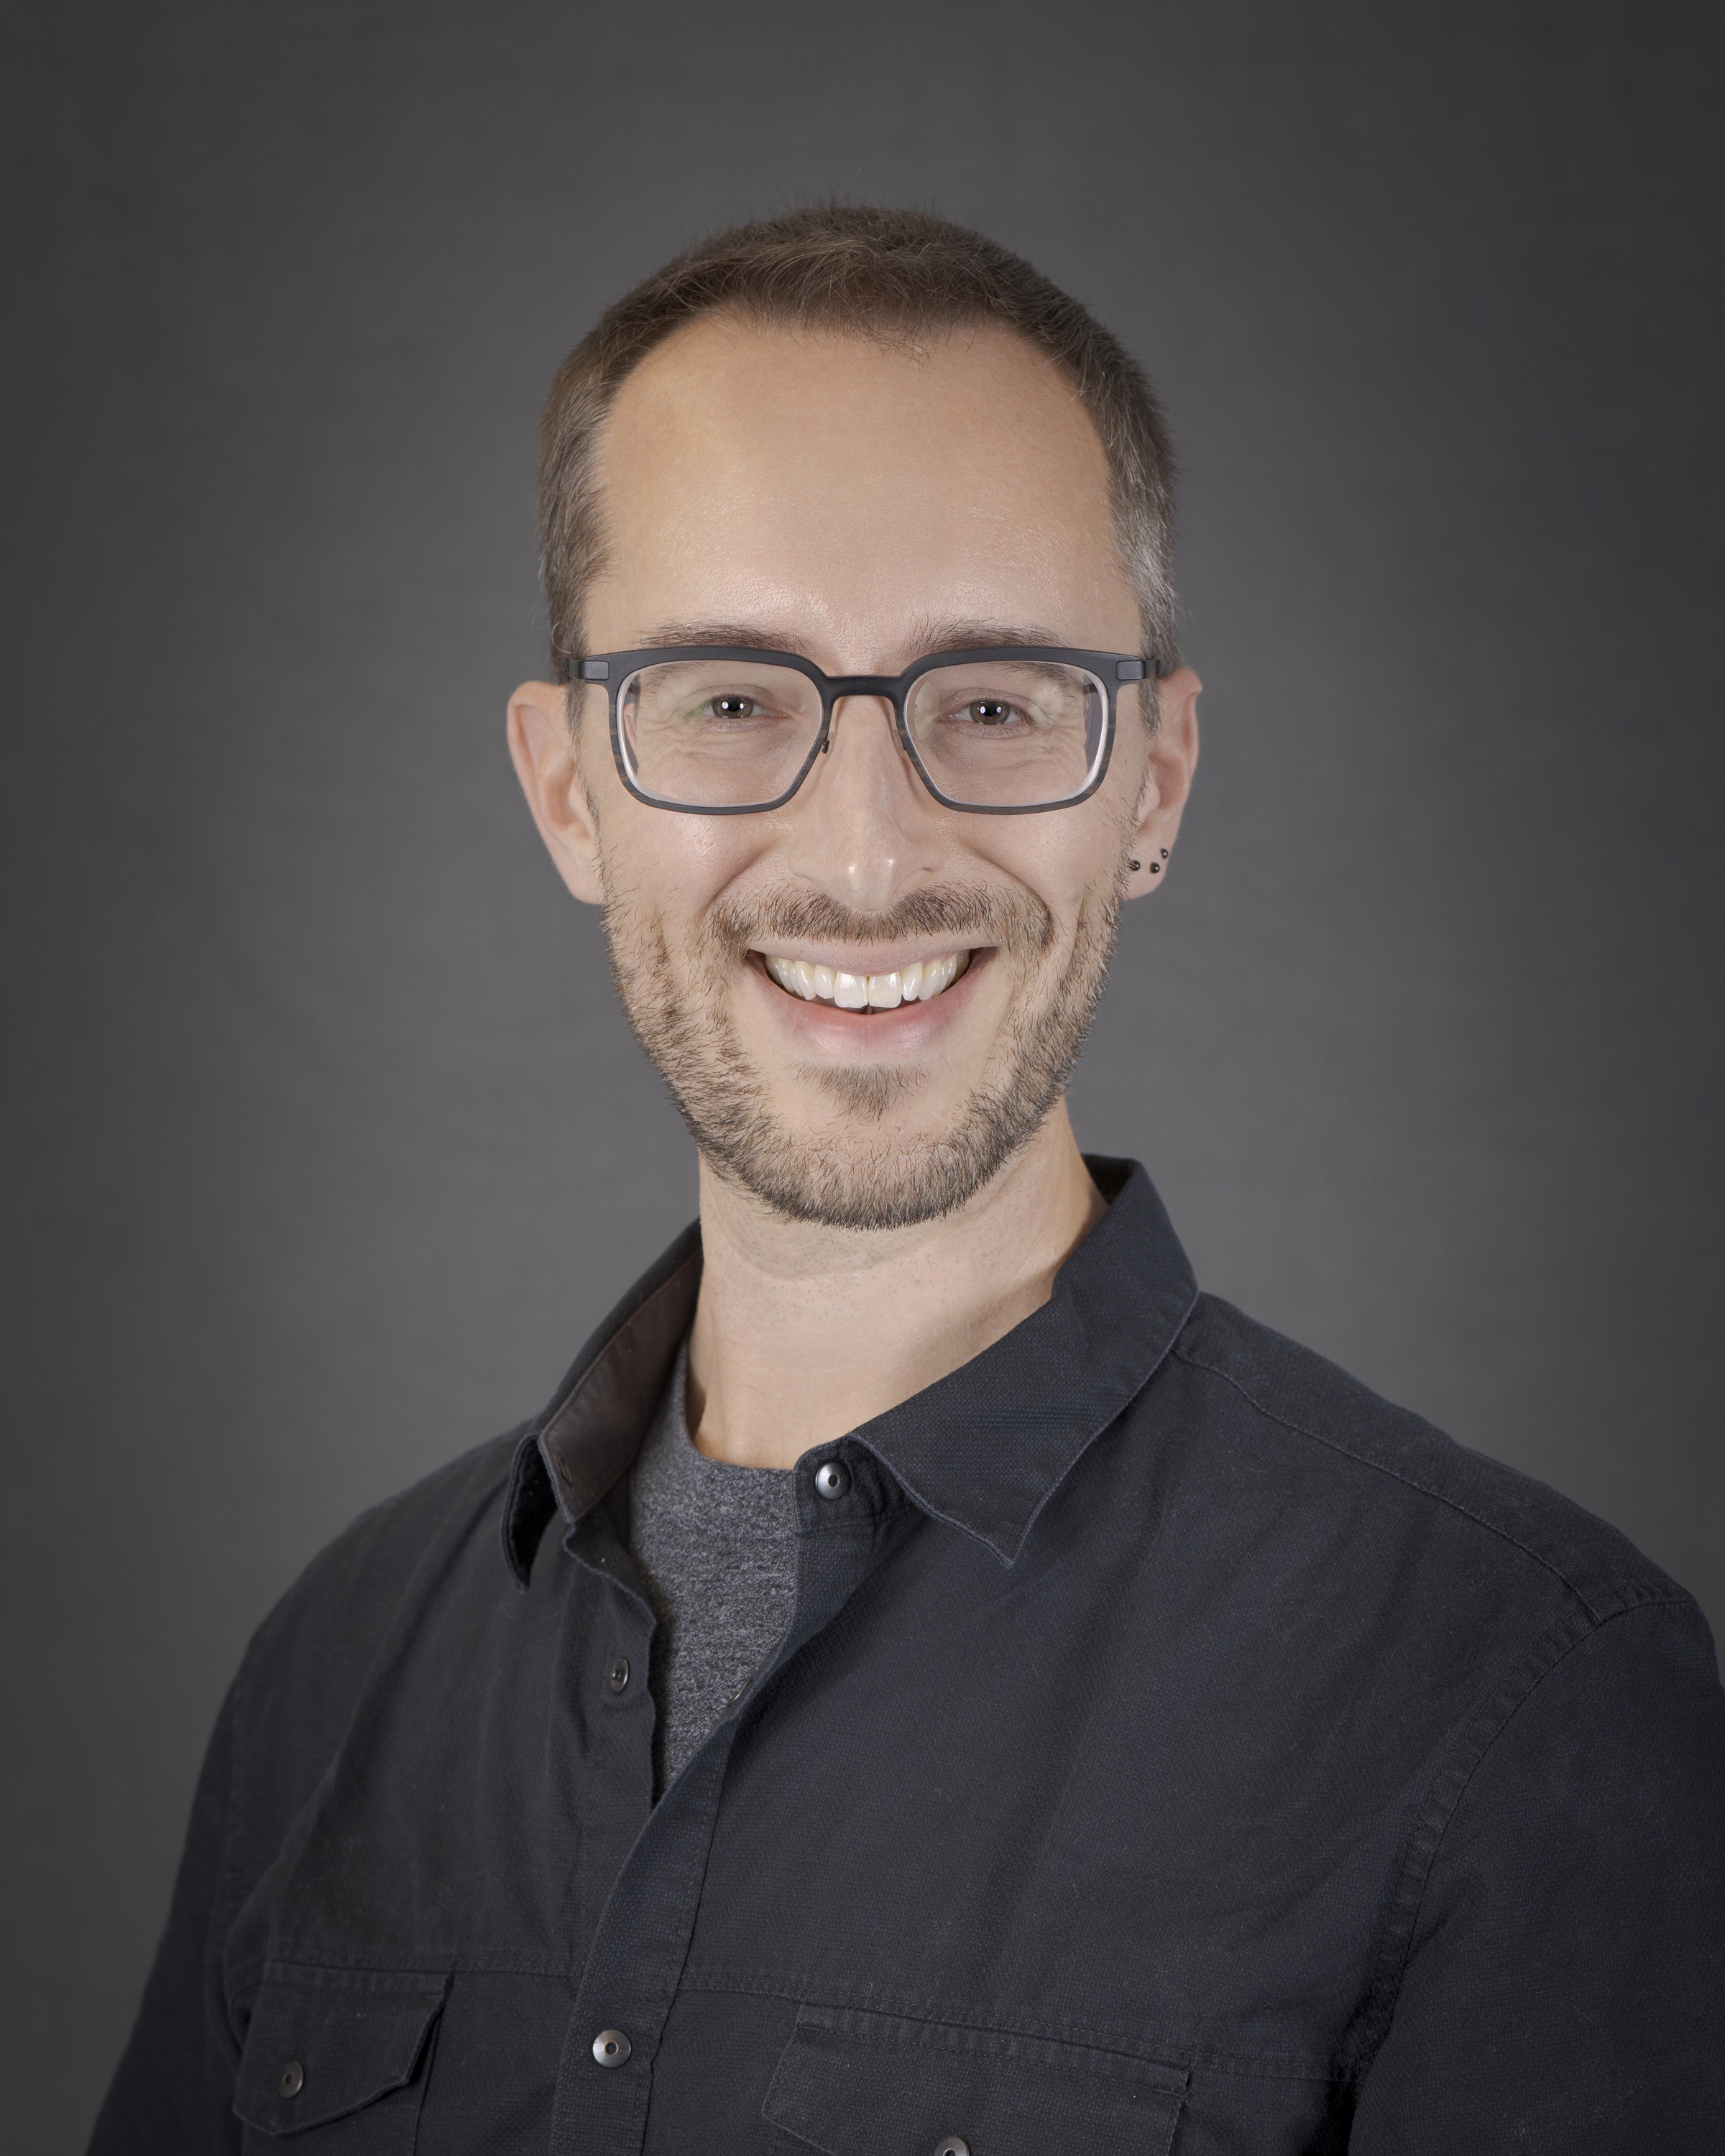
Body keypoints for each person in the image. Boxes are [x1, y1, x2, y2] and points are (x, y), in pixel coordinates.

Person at [91, 206, 1724, 2156]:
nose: (866, 854)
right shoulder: (337, 1675)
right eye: (725, 697)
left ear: (1158, 781)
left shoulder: (1527, 1696)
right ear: (565, 792)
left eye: (998, 701)